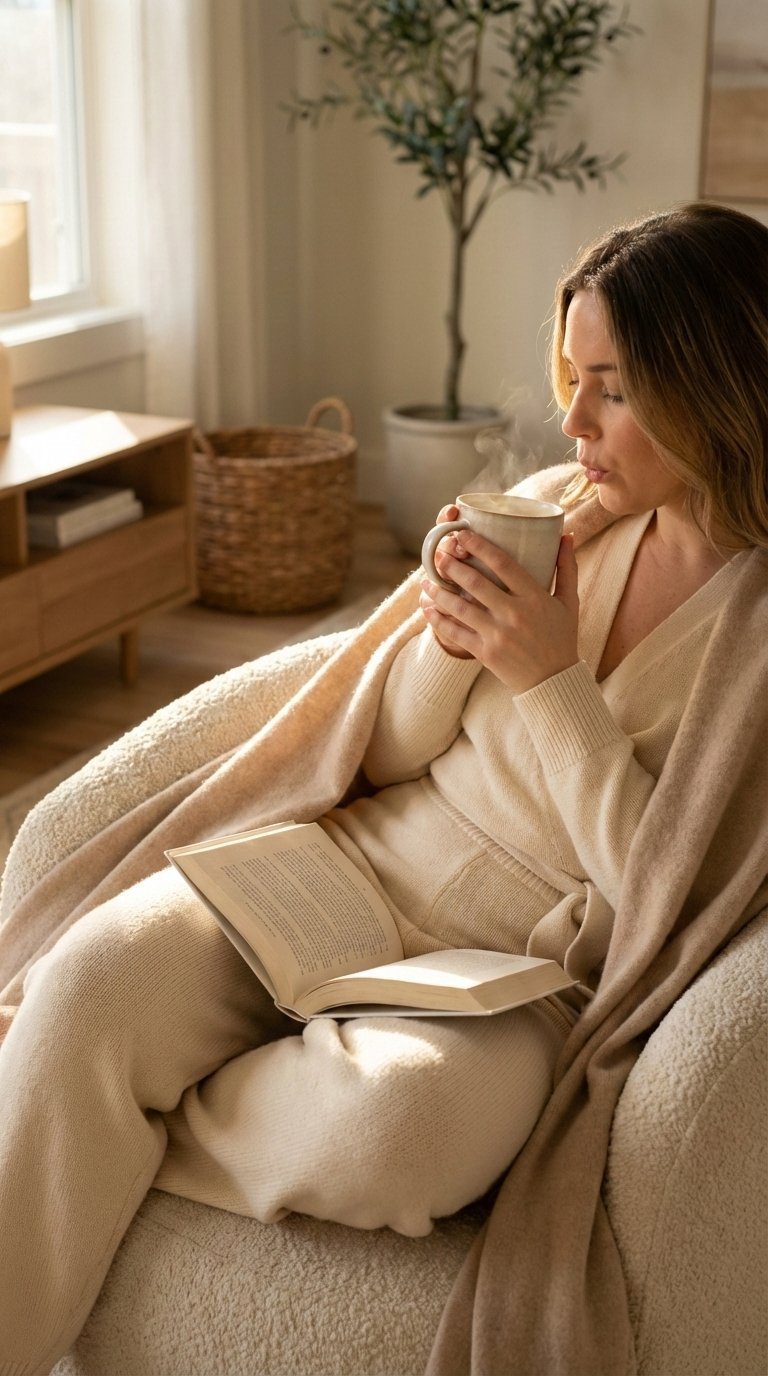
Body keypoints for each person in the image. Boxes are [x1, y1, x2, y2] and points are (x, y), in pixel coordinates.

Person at [1, 200, 766, 1375]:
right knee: (91, 980)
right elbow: (390, 746)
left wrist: (549, 675)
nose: (572, 422)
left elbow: (664, 896)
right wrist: (445, 638)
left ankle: (113, 1120)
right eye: (574, 379)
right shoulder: (568, 514)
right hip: (349, 867)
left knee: (409, 1124)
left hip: (515, 982)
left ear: (713, 379)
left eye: (610, 388)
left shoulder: (754, 635)